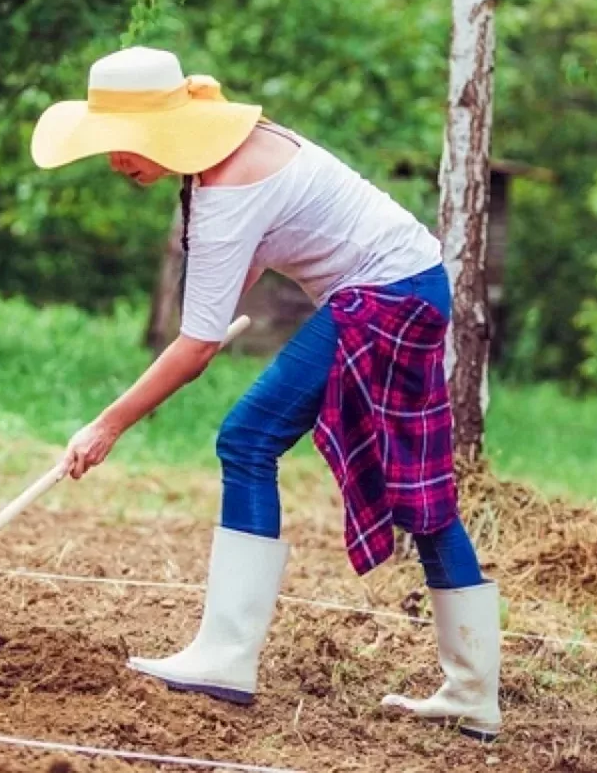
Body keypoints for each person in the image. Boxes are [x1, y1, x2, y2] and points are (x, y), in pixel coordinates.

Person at [30, 46, 501, 742]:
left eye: (119, 145)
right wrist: (206, 324)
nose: (114, 163)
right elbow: (228, 288)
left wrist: (106, 426)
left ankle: (225, 657)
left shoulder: (226, 186)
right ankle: (472, 693)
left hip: (384, 298)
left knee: (246, 440)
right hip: (408, 284)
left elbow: (194, 348)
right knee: (416, 488)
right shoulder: (226, 157)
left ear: (162, 130)